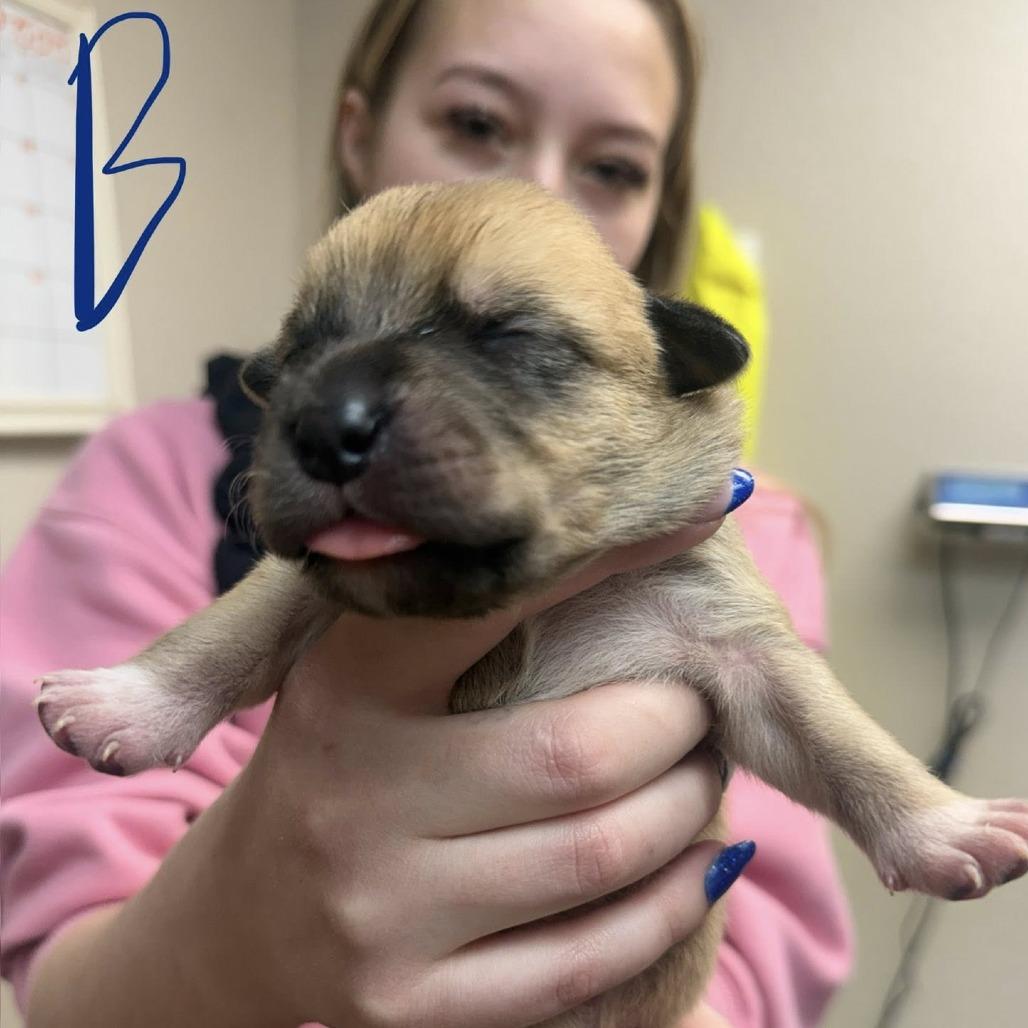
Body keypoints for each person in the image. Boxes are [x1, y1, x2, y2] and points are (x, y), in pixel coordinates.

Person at [0, 1, 853, 1025]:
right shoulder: (146, 480)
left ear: (659, 207)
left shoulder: (751, 525)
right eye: (477, 124)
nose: (527, 193)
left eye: (613, 168)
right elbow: (64, 983)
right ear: (359, 132)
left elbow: (768, 962)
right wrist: (232, 921)